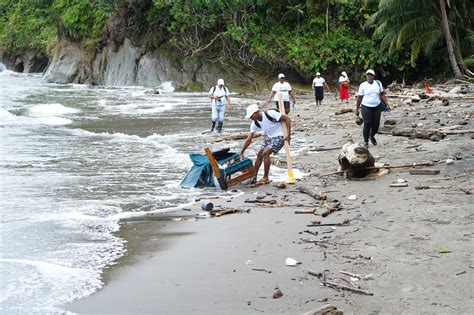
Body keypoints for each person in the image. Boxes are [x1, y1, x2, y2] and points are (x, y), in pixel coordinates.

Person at [240, 104, 291, 185]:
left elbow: (287, 119)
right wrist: (241, 152)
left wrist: (288, 135)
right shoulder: (255, 124)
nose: (250, 118)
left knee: (265, 153)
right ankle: (254, 177)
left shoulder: (270, 113)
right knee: (259, 154)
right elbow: (249, 139)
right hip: (270, 138)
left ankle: (265, 177)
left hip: (280, 136)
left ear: (256, 112)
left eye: (251, 116)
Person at [355, 69, 391, 148]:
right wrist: (357, 108)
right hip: (366, 106)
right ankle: (366, 142)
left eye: (371, 75)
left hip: (377, 106)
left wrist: (387, 105)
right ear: (366, 76)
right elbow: (359, 98)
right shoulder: (363, 85)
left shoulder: (378, 84)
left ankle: (371, 135)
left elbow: (382, 95)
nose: (369, 76)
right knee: (367, 123)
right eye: (368, 75)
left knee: (376, 125)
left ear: (374, 76)